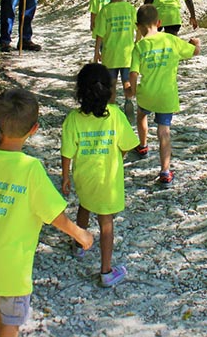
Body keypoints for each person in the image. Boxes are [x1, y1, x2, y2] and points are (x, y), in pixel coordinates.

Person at [0, 88, 93, 337]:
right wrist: (80, 234)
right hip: (13, 264)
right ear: (34, 129)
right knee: (12, 319)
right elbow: (54, 215)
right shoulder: (30, 169)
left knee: (0, 298)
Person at [61, 63, 139, 287]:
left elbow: (67, 151)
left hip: (84, 177)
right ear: (109, 90)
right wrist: (118, 156)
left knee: (84, 205)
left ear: (80, 91)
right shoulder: (115, 115)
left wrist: (65, 177)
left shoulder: (73, 119)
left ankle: (79, 245)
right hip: (108, 178)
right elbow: (127, 144)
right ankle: (106, 271)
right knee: (106, 222)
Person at [129, 4, 200, 187]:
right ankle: (165, 171)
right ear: (159, 23)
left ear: (138, 26)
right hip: (166, 96)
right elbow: (194, 51)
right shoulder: (171, 40)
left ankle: (143, 145)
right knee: (164, 132)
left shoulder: (139, 47)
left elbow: (134, 74)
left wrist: (132, 90)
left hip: (146, 94)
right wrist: (196, 43)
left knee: (141, 115)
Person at [93, 0, 137, 116]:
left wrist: (96, 53)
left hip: (110, 55)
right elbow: (138, 27)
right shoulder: (129, 8)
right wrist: (137, 42)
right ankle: (128, 99)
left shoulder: (105, 11)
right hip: (127, 54)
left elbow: (99, 34)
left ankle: (111, 107)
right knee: (127, 80)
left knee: (111, 83)